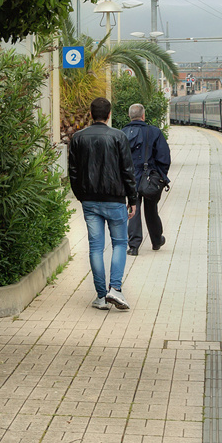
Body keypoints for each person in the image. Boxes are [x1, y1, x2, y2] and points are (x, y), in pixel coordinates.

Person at [68, 96, 138, 311]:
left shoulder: (78, 138)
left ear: (91, 114)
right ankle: (115, 289)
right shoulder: (118, 136)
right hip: (115, 200)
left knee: (95, 247)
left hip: (90, 201)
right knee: (119, 243)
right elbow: (127, 170)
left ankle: (101, 297)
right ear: (109, 115)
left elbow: (72, 172)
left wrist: (81, 196)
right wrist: (132, 199)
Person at [123, 104, 171, 253]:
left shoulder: (122, 133)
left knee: (133, 209)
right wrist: (160, 176)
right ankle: (156, 241)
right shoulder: (154, 132)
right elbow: (164, 157)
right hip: (150, 178)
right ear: (143, 116)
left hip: (130, 178)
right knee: (151, 210)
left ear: (129, 116)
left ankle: (134, 246)